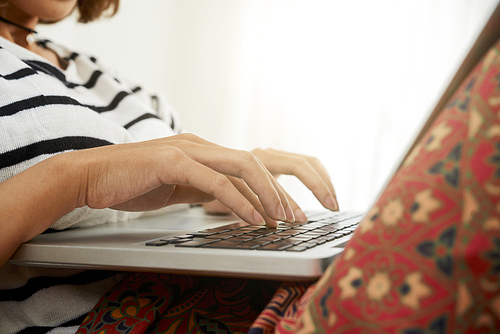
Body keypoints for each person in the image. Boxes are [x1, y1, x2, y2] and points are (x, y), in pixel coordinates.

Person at [0, 1, 339, 333]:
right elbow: (96, 174)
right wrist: (81, 179)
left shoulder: (93, 71)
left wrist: (219, 186)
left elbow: (154, 184)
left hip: (190, 294)